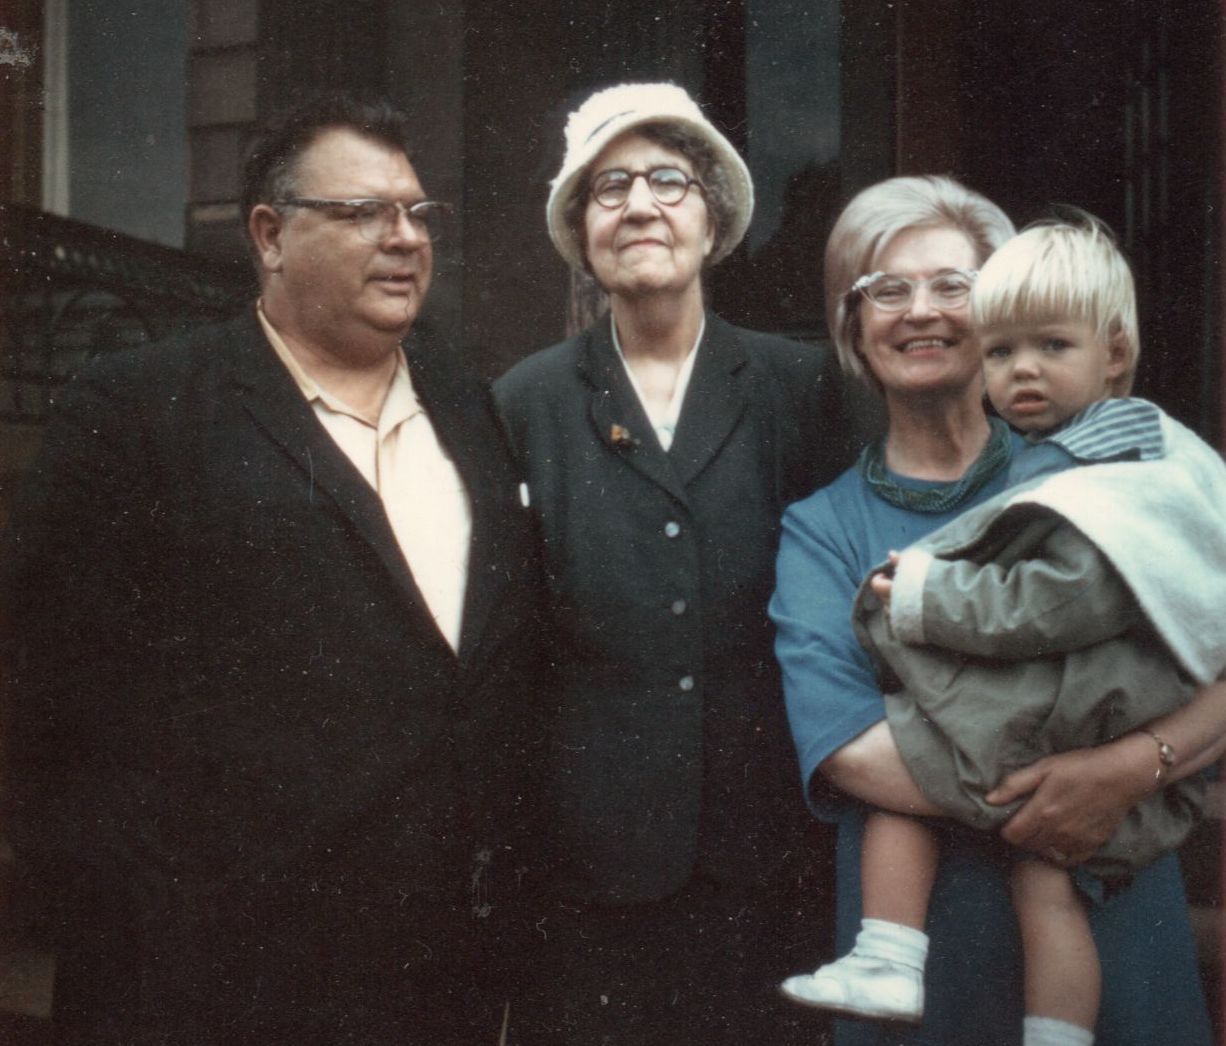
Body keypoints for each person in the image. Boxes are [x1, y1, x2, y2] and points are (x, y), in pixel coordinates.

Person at [0, 94, 543, 1045]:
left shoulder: (475, 411)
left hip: (435, 980)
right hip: (209, 986)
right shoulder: (141, 410)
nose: (404, 238)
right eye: (364, 212)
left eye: (418, 214)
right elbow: (37, 696)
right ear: (269, 233)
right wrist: (134, 921)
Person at [770, 175, 1224, 1046]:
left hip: (1110, 903)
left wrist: (1129, 770)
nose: (921, 312)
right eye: (887, 291)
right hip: (934, 938)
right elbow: (849, 751)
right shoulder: (823, 530)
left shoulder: (1110, 480)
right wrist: (1069, 792)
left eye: (954, 285)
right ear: (854, 328)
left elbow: (1217, 649)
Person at [494, 81, 852, 1045]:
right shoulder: (524, 403)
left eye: (668, 180)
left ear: (714, 216)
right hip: (591, 868)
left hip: (770, 853)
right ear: (581, 229)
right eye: (609, 188)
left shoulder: (800, 385)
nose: (640, 205)